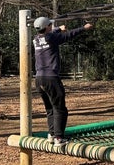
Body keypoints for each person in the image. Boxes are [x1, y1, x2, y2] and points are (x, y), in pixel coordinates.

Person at [32, 16, 93, 147]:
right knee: (60, 109)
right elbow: (69, 35)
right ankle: (59, 138)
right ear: (47, 27)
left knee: (50, 108)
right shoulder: (52, 38)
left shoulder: (36, 39)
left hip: (39, 78)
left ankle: (52, 134)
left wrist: (59, 28)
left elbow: (50, 35)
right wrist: (84, 28)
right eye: (50, 25)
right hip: (51, 78)